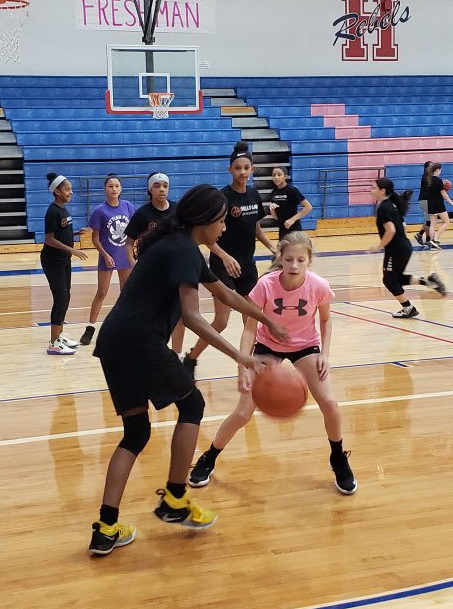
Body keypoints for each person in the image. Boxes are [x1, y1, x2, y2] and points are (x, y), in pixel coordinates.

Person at [89, 184, 289, 556]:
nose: (225, 228)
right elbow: (194, 318)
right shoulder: (181, 249)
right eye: (221, 221)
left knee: (135, 433)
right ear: (205, 219)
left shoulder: (180, 245)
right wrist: (242, 357)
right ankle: (175, 501)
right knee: (193, 405)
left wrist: (267, 321)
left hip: (114, 343)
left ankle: (106, 526)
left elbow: (226, 295)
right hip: (141, 343)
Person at [189, 231, 356, 496]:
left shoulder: (319, 286)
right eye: (289, 259)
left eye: (301, 260)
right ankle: (209, 457)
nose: (294, 265)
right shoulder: (266, 284)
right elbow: (249, 328)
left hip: (305, 346)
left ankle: (338, 458)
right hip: (268, 348)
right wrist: (243, 365)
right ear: (280, 257)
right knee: (243, 412)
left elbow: (325, 320)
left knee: (330, 403)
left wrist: (325, 353)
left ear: (309, 261)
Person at [182, 141, 276, 381]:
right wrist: (225, 257)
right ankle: (191, 358)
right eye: (237, 168)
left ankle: (249, 367)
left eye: (246, 168)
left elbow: (256, 228)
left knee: (252, 320)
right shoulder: (222, 197)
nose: (242, 172)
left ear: (252, 169)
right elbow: (206, 237)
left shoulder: (254, 194)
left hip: (248, 265)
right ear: (230, 170)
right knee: (221, 321)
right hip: (223, 265)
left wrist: (272, 247)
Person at [368, 177, 447, 319]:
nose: (371, 191)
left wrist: (379, 246)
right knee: (396, 278)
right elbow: (403, 227)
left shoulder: (384, 208)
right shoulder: (393, 205)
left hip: (396, 249)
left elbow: (390, 230)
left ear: (382, 191)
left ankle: (408, 308)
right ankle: (428, 281)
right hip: (404, 247)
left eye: (373, 188)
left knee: (389, 280)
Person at [124, 171, 185, 355]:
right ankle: (155, 352)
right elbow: (128, 244)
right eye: (157, 186)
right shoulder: (143, 214)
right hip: (151, 273)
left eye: (165, 186)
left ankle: (176, 355)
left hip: (175, 271)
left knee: (178, 315)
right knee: (153, 315)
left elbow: (187, 238)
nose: (162, 189)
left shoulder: (177, 211)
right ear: (150, 189)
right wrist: (135, 266)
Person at [79, 174, 135, 346]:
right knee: (102, 292)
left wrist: (134, 251)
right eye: (110, 186)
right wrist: (105, 255)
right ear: (105, 189)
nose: (114, 189)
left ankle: (125, 327)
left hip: (124, 255)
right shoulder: (99, 211)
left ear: (121, 188)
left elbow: (134, 231)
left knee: (126, 294)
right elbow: (95, 238)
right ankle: (90, 327)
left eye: (117, 186)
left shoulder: (128, 206)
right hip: (108, 255)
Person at [41, 172, 89, 355]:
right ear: (57, 191)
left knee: (65, 296)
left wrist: (76, 234)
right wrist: (72, 250)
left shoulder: (63, 210)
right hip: (53, 260)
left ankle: (59, 336)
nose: (71, 192)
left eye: (70, 189)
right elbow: (49, 239)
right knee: (60, 298)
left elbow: (61, 232)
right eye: (67, 189)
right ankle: (53, 343)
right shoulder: (52, 211)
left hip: (63, 260)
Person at [268, 166, 313, 240]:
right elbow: (276, 217)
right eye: (273, 175)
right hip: (282, 230)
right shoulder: (274, 192)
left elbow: (308, 207)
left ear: (285, 176)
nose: (276, 177)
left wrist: (292, 220)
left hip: (294, 229)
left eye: (279, 175)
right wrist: (272, 210)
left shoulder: (292, 190)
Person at [424, 162, 453, 250]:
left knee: (433, 224)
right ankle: (436, 239)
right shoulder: (438, 180)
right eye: (440, 170)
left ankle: (432, 242)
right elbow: (443, 193)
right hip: (438, 203)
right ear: (437, 170)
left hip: (430, 203)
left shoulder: (428, 179)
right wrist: (452, 203)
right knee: (447, 221)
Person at [413, 160, 433, 248]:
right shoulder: (426, 177)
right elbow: (431, 187)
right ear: (426, 168)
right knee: (429, 221)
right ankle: (428, 239)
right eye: (431, 166)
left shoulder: (429, 176)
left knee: (428, 220)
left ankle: (420, 234)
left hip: (426, 200)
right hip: (424, 200)